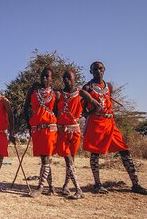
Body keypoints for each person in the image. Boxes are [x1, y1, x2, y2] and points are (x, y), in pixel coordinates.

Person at [83, 62, 147, 196]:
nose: (98, 71)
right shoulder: (87, 88)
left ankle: (136, 184)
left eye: (100, 68)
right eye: (95, 69)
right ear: (90, 71)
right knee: (95, 153)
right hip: (96, 123)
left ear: (104, 70)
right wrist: (94, 109)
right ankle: (97, 184)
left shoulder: (109, 86)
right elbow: (83, 111)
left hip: (110, 122)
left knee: (124, 150)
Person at [56, 70, 101, 199]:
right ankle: (77, 189)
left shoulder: (80, 93)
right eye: (64, 78)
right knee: (68, 159)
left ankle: (67, 186)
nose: (67, 80)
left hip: (75, 131)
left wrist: (86, 115)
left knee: (71, 160)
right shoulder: (59, 93)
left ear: (75, 78)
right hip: (62, 131)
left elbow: (97, 106)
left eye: (69, 78)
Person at [24, 67, 59, 198]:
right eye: (42, 76)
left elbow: (58, 111)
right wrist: (29, 124)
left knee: (46, 157)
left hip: (50, 128)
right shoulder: (33, 91)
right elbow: (25, 107)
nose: (44, 78)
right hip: (37, 129)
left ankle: (40, 187)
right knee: (44, 157)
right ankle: (51, 187)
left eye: (47, 76)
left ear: (51, 78)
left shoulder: (56, 93)